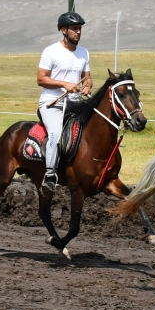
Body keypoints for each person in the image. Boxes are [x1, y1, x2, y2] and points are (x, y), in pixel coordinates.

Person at [36, 11, 92, 190]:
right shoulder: (51, 51)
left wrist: (87, 86)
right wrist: (63, 84)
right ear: (63, 30)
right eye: (74, 29)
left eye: (80, 29)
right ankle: (50, 175)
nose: (78, 32)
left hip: (75, 103)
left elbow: (88, 78)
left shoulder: (84, 53)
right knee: (56, 133)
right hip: (52, 103)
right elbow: (41, 79)